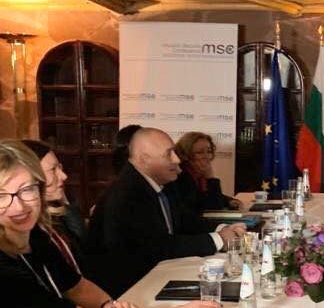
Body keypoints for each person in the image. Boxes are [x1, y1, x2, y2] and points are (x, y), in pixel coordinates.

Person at [0, 140, 221, 308]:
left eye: (27, 190)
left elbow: (76, 287)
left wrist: (110, 306)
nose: (19, 206)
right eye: (0, 196)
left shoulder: (33, 236)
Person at [86, 126, 246, 297]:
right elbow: (158, 247)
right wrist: (218, 239)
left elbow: (183, 220)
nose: (177, 159)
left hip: (154, 275)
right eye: (169, 154)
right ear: (145, 159)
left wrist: (222, 229)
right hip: (129, 291)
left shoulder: (152, 184)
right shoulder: (127, 193)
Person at [21, 139, 86, 274]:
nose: (64, 176)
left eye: (60, 167)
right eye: (53, 169)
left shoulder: (57, 214)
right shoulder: (29, 231)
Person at [172, 131, 241, 213]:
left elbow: (205, 195)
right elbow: (213, 208)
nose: (206, 156)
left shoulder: (197, 174)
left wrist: (228, 201)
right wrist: (210, 178)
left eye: (209, 151)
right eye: (199, 152)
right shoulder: (181, 176)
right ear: (185, 155)